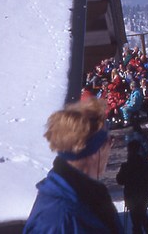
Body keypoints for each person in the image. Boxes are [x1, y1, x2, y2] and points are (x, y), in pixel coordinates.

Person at [24, 99, 123, 233]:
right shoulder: (56, 219)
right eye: (109, 140)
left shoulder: (91, 196)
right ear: (95, 151)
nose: (111, 147)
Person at [116, 140, 148, 234]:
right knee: (141, 216)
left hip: (131, 196)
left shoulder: (126, 165)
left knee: (137, 220)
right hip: (144, 195)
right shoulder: (145, 164)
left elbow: (120, 180)